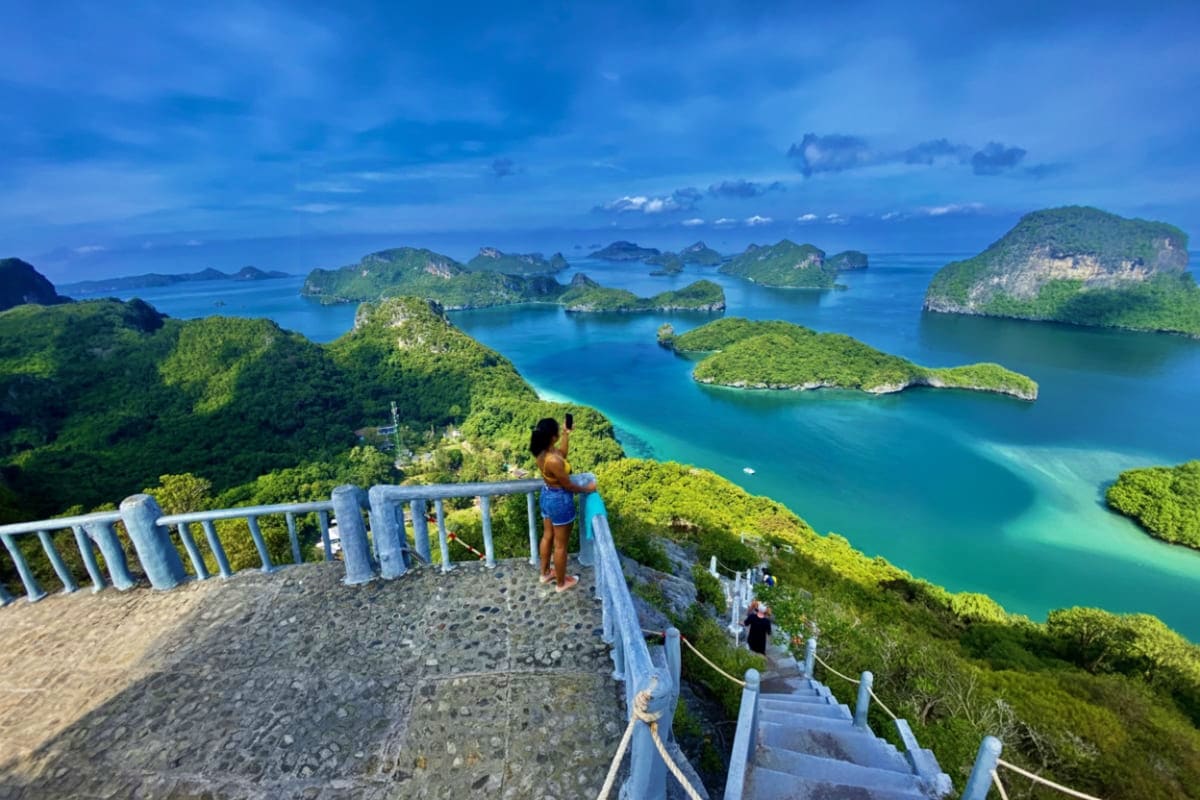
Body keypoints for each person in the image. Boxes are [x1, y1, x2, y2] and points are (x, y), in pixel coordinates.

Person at [530, 416, 596, 593]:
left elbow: (563, 455)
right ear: (553, 437)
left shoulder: (543, 452)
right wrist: (588, 489)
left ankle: (545, 573)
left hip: (547, 495)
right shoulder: (553, 461)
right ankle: (561, 583)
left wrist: (567, 434)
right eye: (559, 431)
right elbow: (568, 485)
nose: (560, 433)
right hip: (559, 500)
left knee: (547, 536)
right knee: (560, 545)